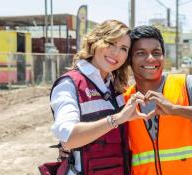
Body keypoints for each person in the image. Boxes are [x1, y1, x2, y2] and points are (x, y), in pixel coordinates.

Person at [123, 25, 192, 175]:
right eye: (141, 53)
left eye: (156, 52)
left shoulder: (186, 84)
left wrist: (175, 109)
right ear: (130, 59)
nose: (150, 58)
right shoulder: (125, 99)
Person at [50, 20, 149, 175]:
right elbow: (69, 138)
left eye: (123, 48)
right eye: (111, 43)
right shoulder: (69, 84)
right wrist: (117, 119)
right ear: (96, 41)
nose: (116, 52)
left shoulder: (117, 88)